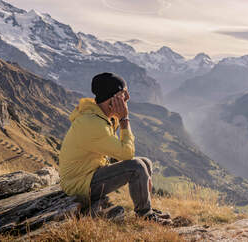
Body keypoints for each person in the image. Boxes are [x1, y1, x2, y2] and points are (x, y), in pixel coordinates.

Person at [59, 72, 171, 224]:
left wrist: (117, 118)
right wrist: (124, 119)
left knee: (145, 162)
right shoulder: (93, 124)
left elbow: (117, 153)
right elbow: (126, 154)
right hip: (79, 185)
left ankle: (147, 208)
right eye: (123, 93)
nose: (128, 98)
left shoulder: (100, 115)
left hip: (89, 174)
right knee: (136, 167)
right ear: (111, 99)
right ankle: (145, 216)